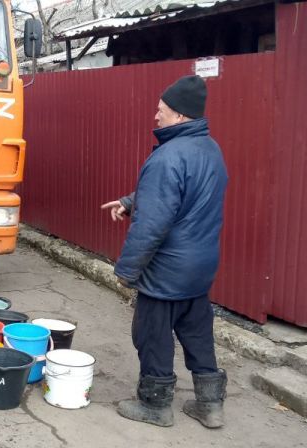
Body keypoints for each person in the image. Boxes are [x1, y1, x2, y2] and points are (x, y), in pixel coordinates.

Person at [102, 75, 229, 428]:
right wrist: (130, 201)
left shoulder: (167, 157)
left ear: (181, 116)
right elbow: (186, 197)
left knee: (152, 336)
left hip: (167, 270)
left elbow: (153, 225)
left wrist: (126, 271)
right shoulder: (210, 149)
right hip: (201, 266)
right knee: (197, 333)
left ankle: (155, 406)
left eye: (162, 111)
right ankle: (210, 405)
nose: (155, 117)